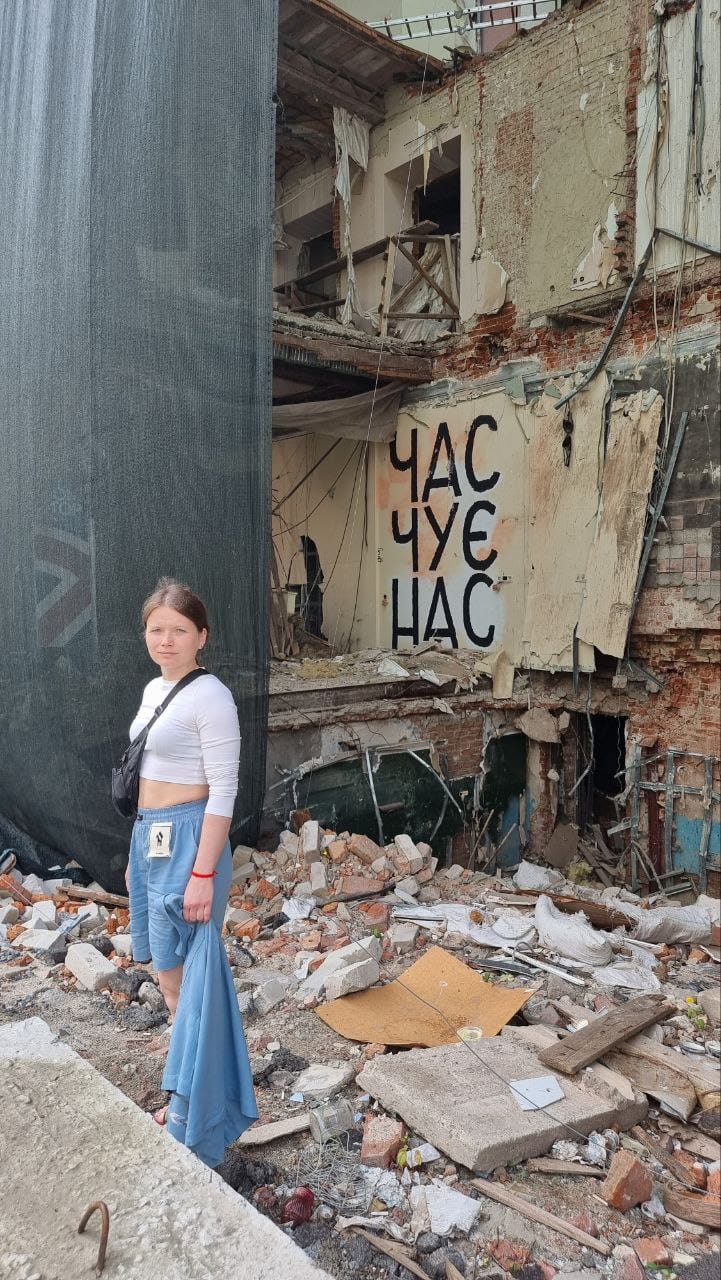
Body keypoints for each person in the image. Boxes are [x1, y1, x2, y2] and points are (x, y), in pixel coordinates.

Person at [125, 577, 257, 1166]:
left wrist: (202, 872)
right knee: (165, 969)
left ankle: (195, 1114)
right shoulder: (154, 690)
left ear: (201, 635)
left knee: (194, 977)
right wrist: (135, 864)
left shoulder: (212, 697)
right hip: (150, 838)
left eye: (179, 629)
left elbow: (224, 790)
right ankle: (184, 1092)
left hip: (190, 836)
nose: (166, 639)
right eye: (157, 628)